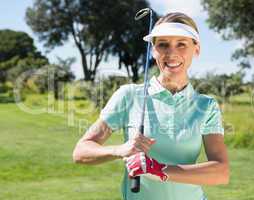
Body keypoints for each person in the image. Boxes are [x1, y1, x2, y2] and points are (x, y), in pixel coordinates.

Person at [72, 12, 229, 200]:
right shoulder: (128, 95)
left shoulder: (206, 105)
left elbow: (221, 172)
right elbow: (81, 152)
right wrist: (119, 150)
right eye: (163, 44)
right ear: (153, 50)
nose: (172, 53)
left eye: (181, 44)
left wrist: (160, 170)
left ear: (196, 49)